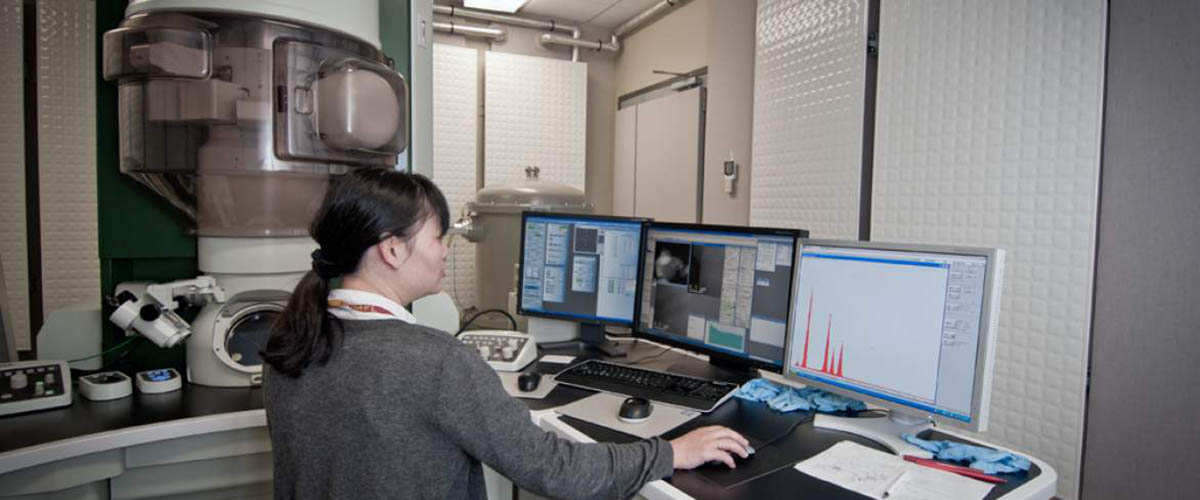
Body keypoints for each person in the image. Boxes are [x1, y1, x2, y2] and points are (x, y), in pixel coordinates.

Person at [262, 169, 750, 500]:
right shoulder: (434, 361)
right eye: (437, 237)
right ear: (391, 250)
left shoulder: (290, 342)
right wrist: (670, 452)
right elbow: (555, 470)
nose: (445, 250)